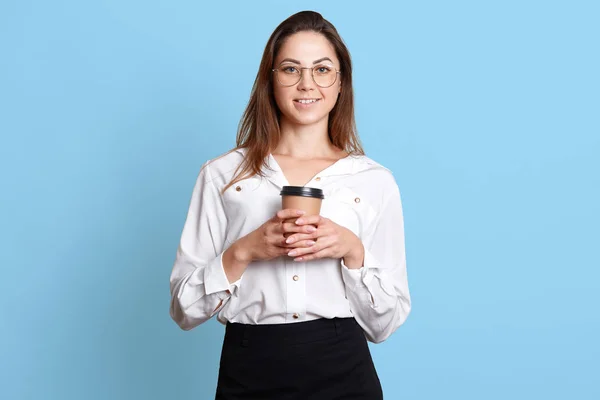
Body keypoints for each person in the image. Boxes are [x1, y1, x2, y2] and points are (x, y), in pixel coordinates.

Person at [169, 10, 411, 400]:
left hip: (343, 367)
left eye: (322, 69)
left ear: (340, 82)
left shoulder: (373, 180)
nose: (306, 83)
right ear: (271, 80)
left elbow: (384, 324)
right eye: (290, 69)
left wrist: (352, 250)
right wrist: (245, 250)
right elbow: (184, 310)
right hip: (249, 366)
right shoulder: (222, 174)